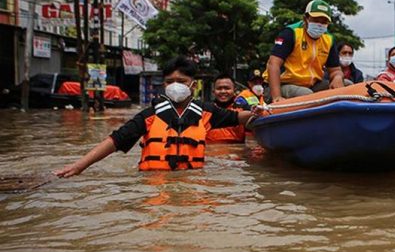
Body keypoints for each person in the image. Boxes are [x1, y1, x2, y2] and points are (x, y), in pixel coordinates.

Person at [54, 57, 263, 176]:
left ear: (193, 84)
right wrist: (79, 166)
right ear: (163, 85)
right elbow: (115, 140)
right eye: (170, 81)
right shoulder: (150, 115)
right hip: (153, 183)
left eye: (181, 80)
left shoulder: (206, 112)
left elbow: (238, 118)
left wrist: (259, 113)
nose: (175, 85)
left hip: (193, 183)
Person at [266, 0, 344, 102]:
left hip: (312, 84)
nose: (319, 25)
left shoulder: (328, 39)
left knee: (347, 86)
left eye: (324, 21)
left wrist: (337, 77)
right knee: (307, 95)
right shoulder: (291, 33)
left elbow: (335, 70)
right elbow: (273, 64)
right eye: (316, 20)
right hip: (283, 84)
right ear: (306, 18)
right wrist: (276, 96)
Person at [206, 74, 246, 143]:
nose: (223, 91)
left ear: (234, 90)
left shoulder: (243, 109)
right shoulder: (206, 110)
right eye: (219, 88)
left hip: (236, 150)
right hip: (210, 149)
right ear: (213, 91)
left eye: (227, 88)